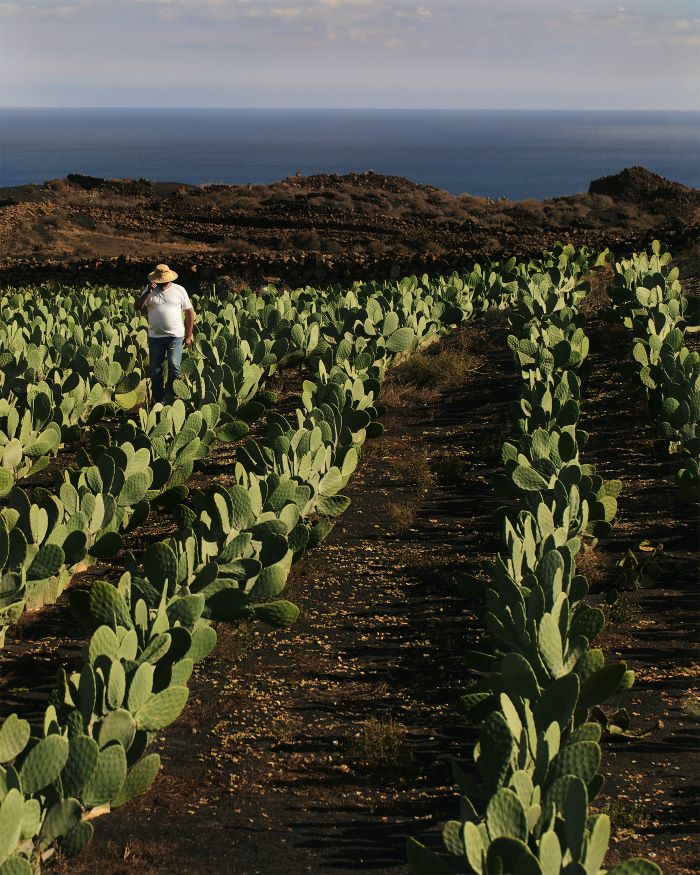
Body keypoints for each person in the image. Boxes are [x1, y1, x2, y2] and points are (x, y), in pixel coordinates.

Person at [135, 264, 195, 404]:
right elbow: (137, 307)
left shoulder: (180, 290)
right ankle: (158, 399)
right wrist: (147, 292)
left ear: (169, 278)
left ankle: (169, 396)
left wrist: (189, 335)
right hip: (155, 337)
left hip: (175, 336)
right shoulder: (149, 289)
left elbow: (190, 312)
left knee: (174, 366)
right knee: (156, 370)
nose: (162, 282)